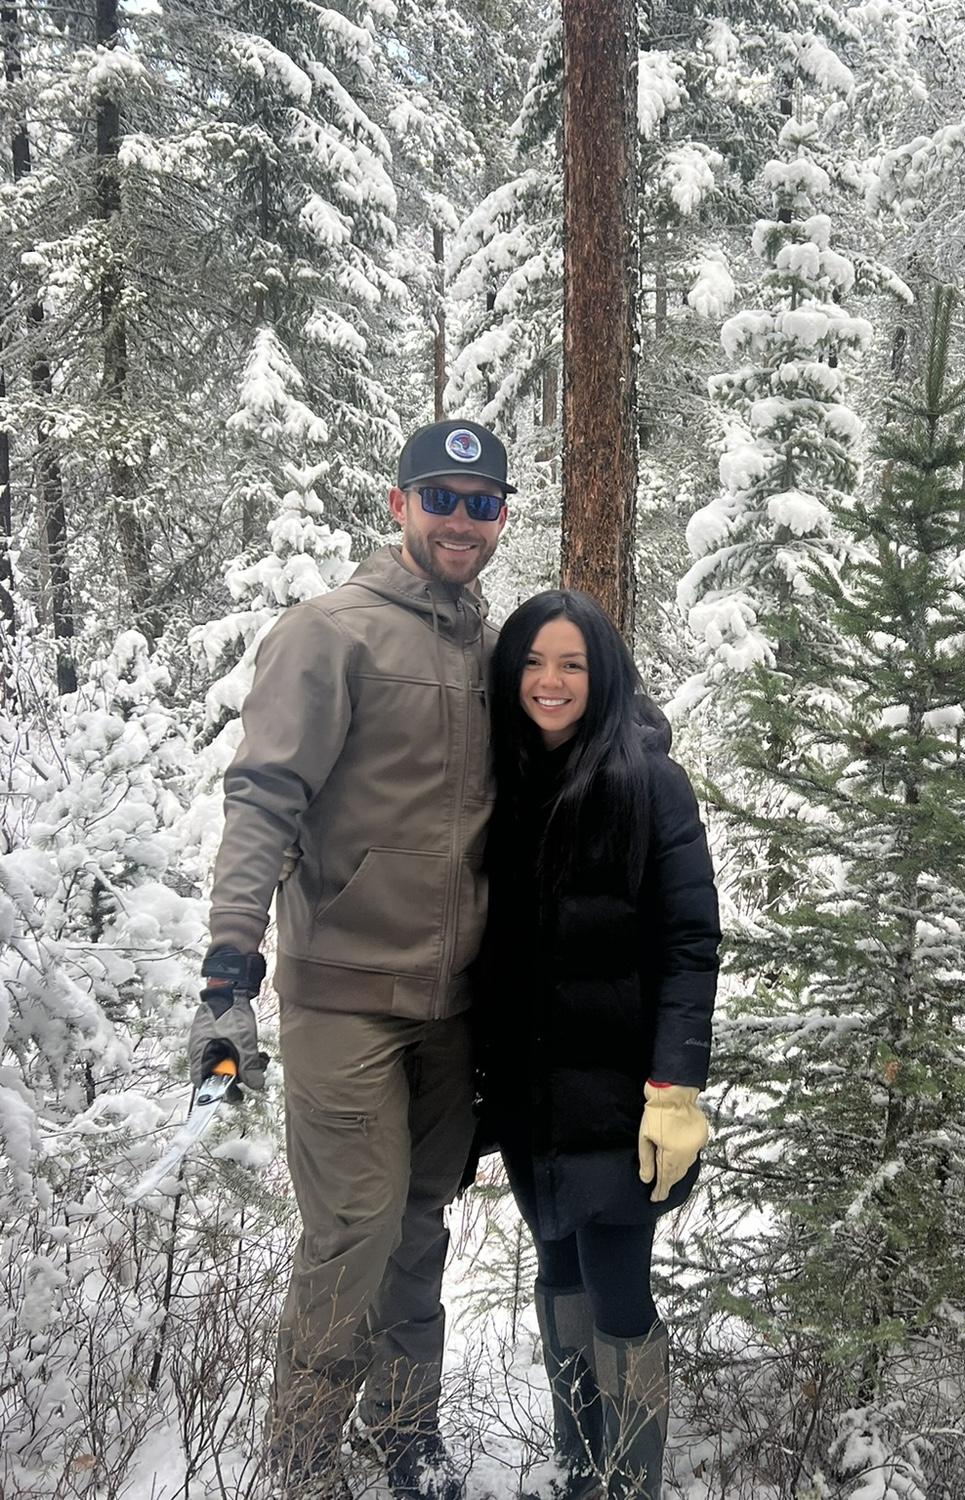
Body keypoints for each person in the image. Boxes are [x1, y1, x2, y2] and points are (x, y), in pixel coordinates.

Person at [188, 420, 517, 1500]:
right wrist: (228, 974)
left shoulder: (495, 646)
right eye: (442, 496)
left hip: (452, 1006)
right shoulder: (331, 631)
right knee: (355, 1231)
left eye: (482, 501)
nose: (462, 519)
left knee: (421, 1227)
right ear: (398, 503)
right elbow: (264, 797)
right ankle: (299, 1456)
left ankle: (406, 1436)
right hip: (343, 997)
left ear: (500, 517)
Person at [474, 590, 720, 1500]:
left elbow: (691, 943)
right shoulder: (505, 780)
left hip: (623, 1097)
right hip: (537, 1096)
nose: (550, 681)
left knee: (618, 1288)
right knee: (558, 1270)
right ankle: (583, 1472)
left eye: (571, 664)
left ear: (603, 674)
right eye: (534, 663)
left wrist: (675, 1087)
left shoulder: (648, 780)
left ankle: (629, 1485)